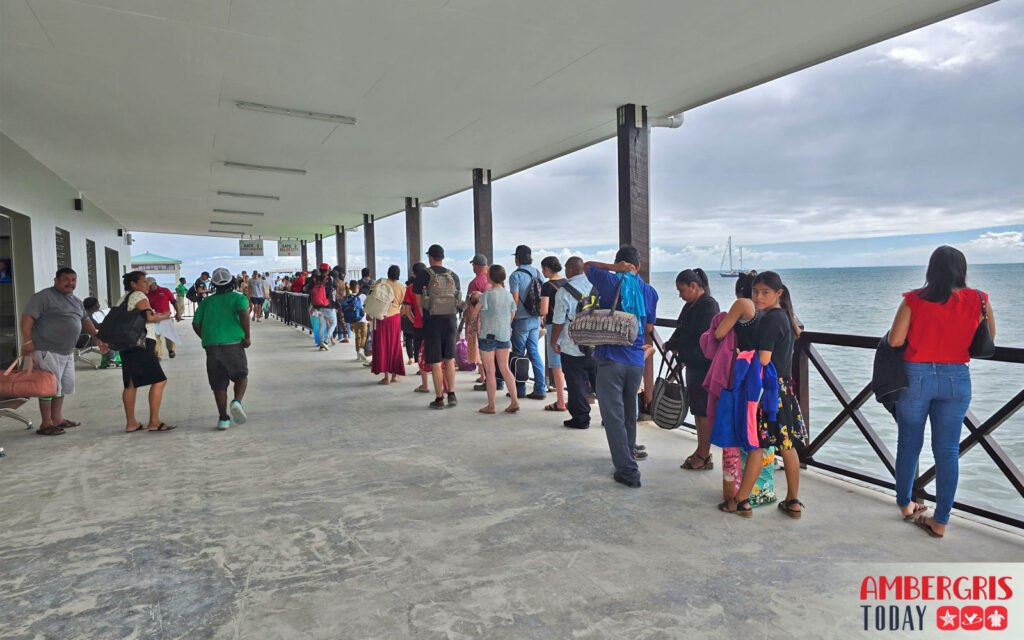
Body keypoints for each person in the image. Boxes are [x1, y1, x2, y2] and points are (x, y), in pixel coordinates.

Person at [887, 246, 994, 538]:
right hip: (957, 377)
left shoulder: (913, 299)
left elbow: (895, 340)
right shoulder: (980, 299)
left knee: (909, 444)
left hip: (916, 377)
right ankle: (941, 520)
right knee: (947, 451)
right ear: (962, 269)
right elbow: (988, 339)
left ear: (931, 269)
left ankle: (906, 505)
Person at [724, 271, 806, 517]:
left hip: (767, 392)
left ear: (778, 293)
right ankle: (793, 500)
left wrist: (742, 355)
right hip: (784, 389)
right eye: (755, 292)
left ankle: (742, 500)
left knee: (757, 445)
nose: (758, 297)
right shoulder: (785, 317)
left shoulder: (771, 320)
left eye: (765, 292)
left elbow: (763, 359)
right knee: (787, 446)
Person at [584, 246, 658, 488]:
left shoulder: (610, 280)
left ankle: (628, 471)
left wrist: (613, 268)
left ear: (618, 262)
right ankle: (628, 455)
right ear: (639, 267)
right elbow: (648, 327)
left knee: (613, 417)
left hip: (610, 359)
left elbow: (587, 266)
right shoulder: (650, 291)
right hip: (635, 361)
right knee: (628, 415)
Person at [19, 267, 105, 435]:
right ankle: (46, 423)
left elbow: (85, 320)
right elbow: (27, 317)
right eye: (66, 279)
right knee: (48, 387)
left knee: (61, 387)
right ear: (56, 280)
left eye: (73, 280)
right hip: (47, 350)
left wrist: (97, 336)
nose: (70, 283)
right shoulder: (43, 297)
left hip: (67, 351)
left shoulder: (75, 301)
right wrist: (27, 340)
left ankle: (57, 419)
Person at [709, 271, 761, 502]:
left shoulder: (742, 304)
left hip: (743, 373)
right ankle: (755, 490)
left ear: (740, 290)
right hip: (764, 372)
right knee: (756, 431)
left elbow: (719, 333)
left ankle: (736, 494)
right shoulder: (765, 308)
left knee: (736, 430)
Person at [664, 268, 719, 470]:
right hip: (693, 363)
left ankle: (704, 454)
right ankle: (701, 450)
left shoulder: (708, 305)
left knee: (703, 411)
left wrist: (673, 344)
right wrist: (671, 342)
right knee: (697, 409)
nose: (680, 295)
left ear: (693, 286)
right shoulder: (691, 305)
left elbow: (697, 335)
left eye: (681, 290)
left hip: (704, 365)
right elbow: (681, 328)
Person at [193, 267, 251, 431]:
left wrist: (206, 338)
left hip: (212, 346)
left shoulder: (206, 302)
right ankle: (237, 401)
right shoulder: (238, 298)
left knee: (218, 384)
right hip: (233, 344)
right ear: (232, 282)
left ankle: (223, 419)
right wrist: (247, 336)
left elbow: (196, 323)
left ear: (214, 284)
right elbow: (243, 314)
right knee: (241, 376)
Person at [117, 271, 175, 432]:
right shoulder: (138, 295)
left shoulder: (123, 298)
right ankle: (154, 421)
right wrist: (164, 316)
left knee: (130, 384)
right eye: (143, 281)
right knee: (160, 381)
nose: (147, 284)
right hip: (141, 343)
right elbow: (149, 317)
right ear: (133, 284)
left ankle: (131, 423)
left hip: (126, 344)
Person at [413, 244, 461, 409]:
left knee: (435, 361)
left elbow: (419, 303)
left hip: (432, 321)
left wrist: (425, 316)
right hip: (451, 320)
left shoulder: (423, 275)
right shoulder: (453, 275)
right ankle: (452, 394)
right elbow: (457, 299)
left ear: (430, 257)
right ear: (443, 257)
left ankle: (439, 398)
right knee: (449, 359)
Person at [550, 256, 594, 429]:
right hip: (596, 343)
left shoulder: (564, 292)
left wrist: (554, 341)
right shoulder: (594, 286)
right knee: (602, 383)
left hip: (572, 345)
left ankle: (581, 419)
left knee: (576, 384)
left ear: (569, 270)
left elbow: (558, 321)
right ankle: (610, 417)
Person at [473, 265, 520, 414]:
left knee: (490, 372)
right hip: (504, 336)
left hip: (487, 336)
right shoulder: (509, 295)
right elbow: (512, 314)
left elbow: (474, 313)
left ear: (491, 277)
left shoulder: (486, 295)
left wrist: (476, 326)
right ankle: (514, 401)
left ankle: (491, 406)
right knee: (505, 368)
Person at [507, 245, 546, 400]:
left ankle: (520, 389)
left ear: (517, 258)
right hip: (535, 319)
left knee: (518, 354)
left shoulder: (515, 276)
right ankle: (540, 389)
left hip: (521, 320)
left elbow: (515, 301)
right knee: (534, 352)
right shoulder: (538, 273)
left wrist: (509, 321)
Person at [371, 265, 407, 384]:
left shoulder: (380, 283)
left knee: (382, 345)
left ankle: (386, 377)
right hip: (395, 318)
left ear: (388, 273)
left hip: (380, 317)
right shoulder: (402, 288)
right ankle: (395, 375)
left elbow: (371, 297)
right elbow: (404, 307)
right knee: (395, 346)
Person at [540, 256, 567, 411]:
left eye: (543, 268)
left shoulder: (547, 286)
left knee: (557, 365)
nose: (543, 271)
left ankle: (561, 401)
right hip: (568, 326)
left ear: (547, 268)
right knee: (569, 363)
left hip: (553, 326)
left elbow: (544, 310)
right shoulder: (567, 283)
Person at [402, 263, 431, 393]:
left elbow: (407, 311)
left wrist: (415, 320)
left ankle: (425, 385)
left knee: (420, 353)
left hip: (419, 325)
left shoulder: (411, 288)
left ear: (413, 274)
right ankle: (445, 386)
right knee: (437, 354)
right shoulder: (432, 285)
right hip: (434, 324)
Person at [466, 254, 492, 389]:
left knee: (480, 349)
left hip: (479, 320)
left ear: (475, 266)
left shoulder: (474, 283)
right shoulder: (493, 280)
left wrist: (468, 325)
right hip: (494, 320)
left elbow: (470, 307)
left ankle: (484, 376)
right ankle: (494, 378)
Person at [146, 277, 182, 359]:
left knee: (169, 336)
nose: (148, 288)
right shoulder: (146, 294)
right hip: (154, 318)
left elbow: (174, 302)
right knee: (155, 337)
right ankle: (158, 355)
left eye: (150, 286)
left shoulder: (165, 291)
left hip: (165, 318)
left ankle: (171, 350)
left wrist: (178, 313)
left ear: (154, 284)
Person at [305, 264, 338, 350]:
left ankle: (321, 343)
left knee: (321, 324)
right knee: (333, 322)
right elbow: (335, 290)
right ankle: (326, 341)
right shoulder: (330, 279)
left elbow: (306, 289)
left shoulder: (314, 279)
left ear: (319, 270)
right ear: (328, 270)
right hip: (328, 305)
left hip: (317, 306)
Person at [345, 280, 370, 361]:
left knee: (357, 336)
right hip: (363, 319)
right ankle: (361, 350)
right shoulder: (362, 296)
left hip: (354, 320)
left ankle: (358, 354)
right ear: (358, 287)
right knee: (364, 336)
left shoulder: (349, 297)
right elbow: (368, 306)